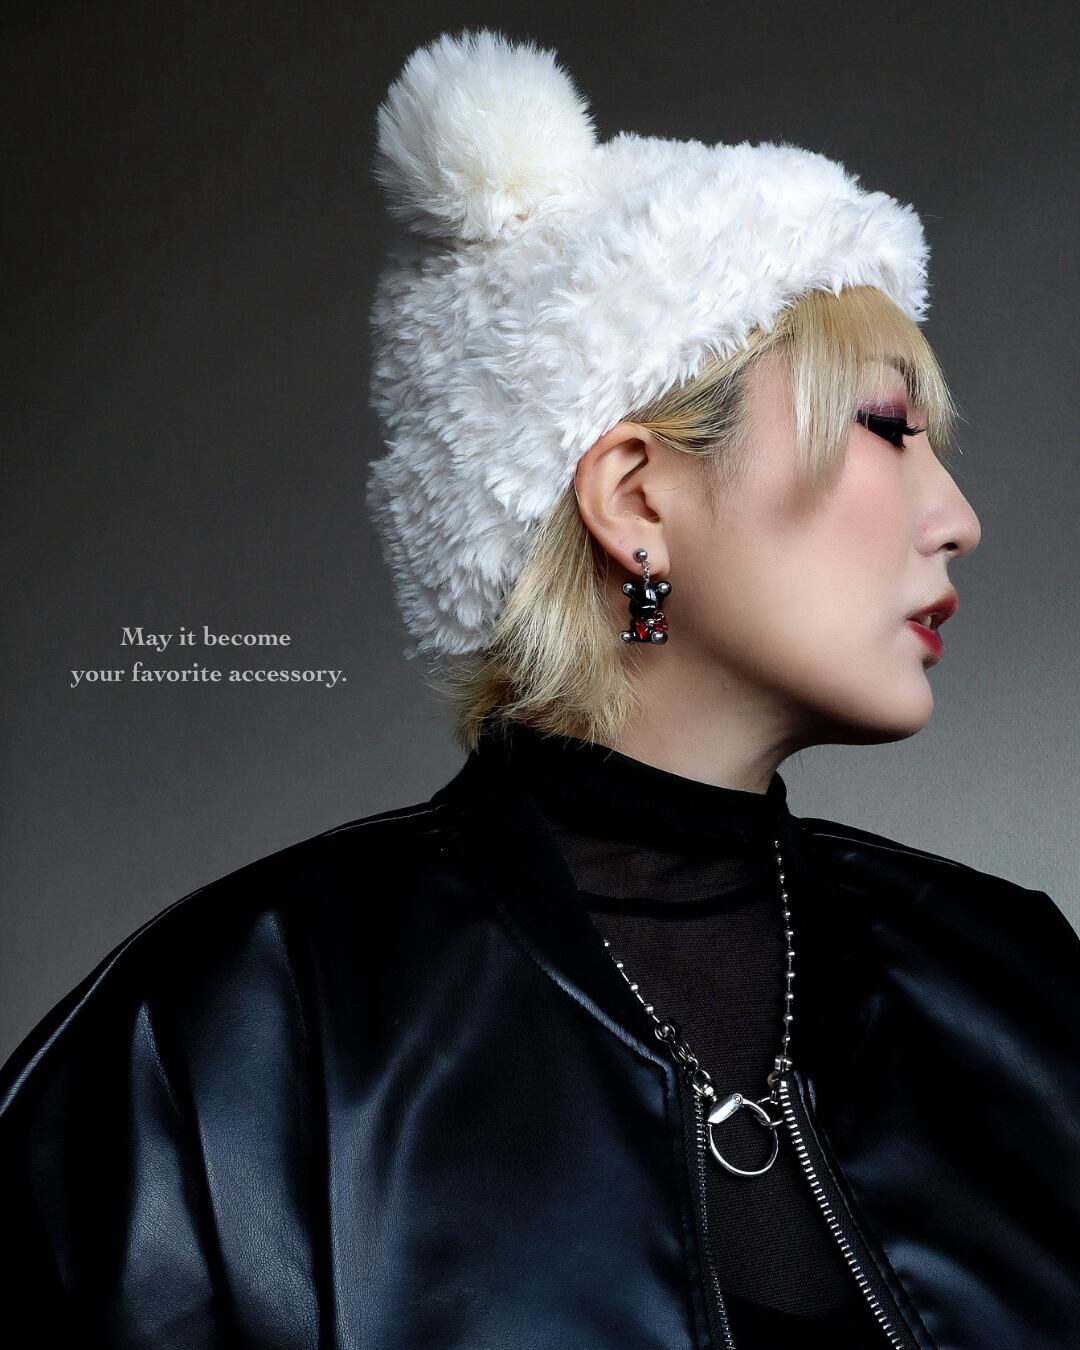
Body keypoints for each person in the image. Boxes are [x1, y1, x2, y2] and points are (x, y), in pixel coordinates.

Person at [2, 26, 1078, 1349]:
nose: (958, 516)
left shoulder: (1020, 989)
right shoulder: (231, 1040)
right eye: (887, 427)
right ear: (636, 499)